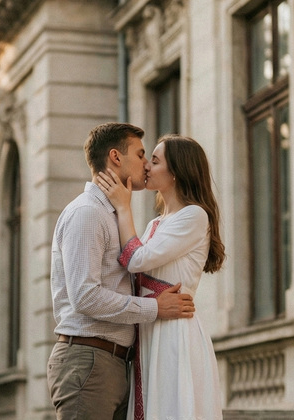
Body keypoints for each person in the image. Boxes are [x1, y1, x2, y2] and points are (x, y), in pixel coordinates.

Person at [47, 123, 197, 420]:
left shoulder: (112, 214)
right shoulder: (88, 213)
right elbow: (85, 297)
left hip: (111, 364)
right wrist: (155, 307)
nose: (146, 164)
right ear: (116, 157)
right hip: (89, 362)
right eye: (141, 155)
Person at [96, 134, 225, 420]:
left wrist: (123, 206)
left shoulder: (194, 216)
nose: (146, 167)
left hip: (174, 332)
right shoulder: (156, 222)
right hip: (151, 327)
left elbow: (135, 259)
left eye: (154, 161)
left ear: (177, 172)